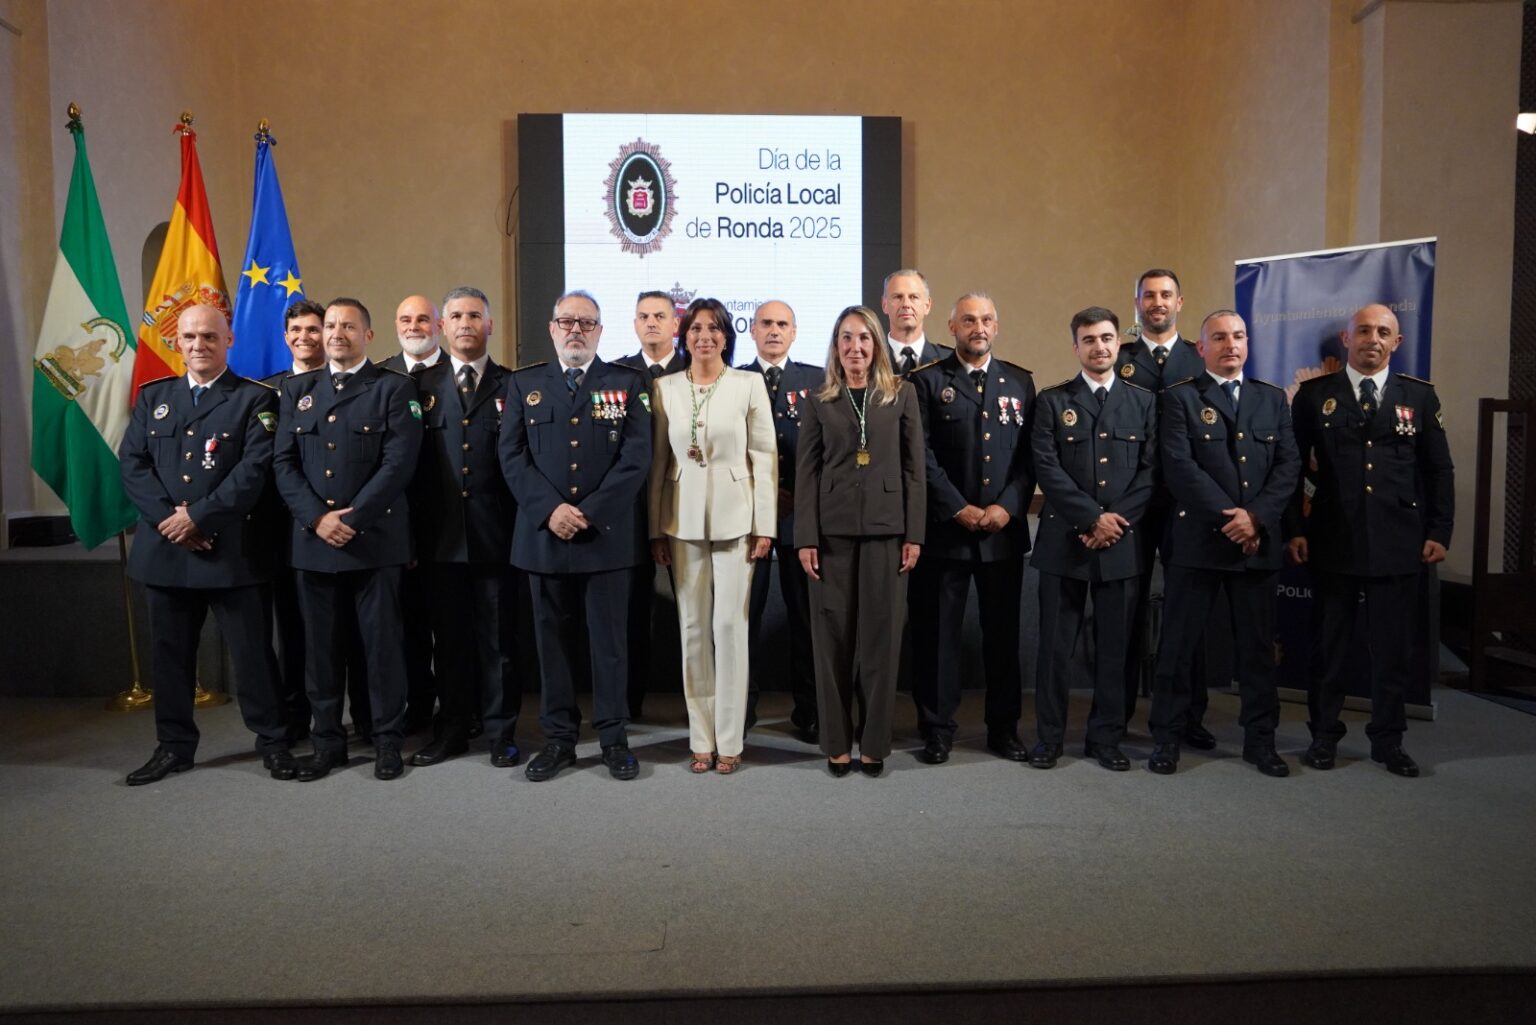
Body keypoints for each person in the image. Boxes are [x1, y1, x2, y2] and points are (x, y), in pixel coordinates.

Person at [119, 304, 294, 784]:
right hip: (167, 552)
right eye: (191, 338)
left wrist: (197, 517)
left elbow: (254, 472)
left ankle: (274, 743)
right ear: (178, 344)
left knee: (253, 656)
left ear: (229, 341)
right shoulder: (154, 396)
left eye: (210, 338)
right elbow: (133, 465)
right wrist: (169, 521)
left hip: (232, 551)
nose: (199, 346)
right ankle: (173, 747)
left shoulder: (256, 400)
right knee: (170, 657)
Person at [1285, 304, 1454, 777]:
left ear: (1396, 343)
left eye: (1383, 332)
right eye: (1363, 330)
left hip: (1398, 542)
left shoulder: (1418, 397)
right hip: (1333, 540)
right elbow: (1292, 469)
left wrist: (1440, 531)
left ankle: (1388, 739)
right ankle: (1323, 736)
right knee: (1329, 649)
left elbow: (1438, 469)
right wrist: (1294, 530)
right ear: (1346, 338)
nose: (1372, 339)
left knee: (1393, 650)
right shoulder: (1316, 396)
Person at [499, 290, 652, 781]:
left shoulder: (627, 383)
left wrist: (586, 512)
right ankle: (560, 740)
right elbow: (511, 456)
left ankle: (613, 739)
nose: (575, 331)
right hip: (544, 537)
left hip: (603, 537)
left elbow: (636, 458)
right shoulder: (525, 385)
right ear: (551, 328)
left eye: (586, 323)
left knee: (609, 645)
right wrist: (552, 510)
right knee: (552, 645)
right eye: (566, 321)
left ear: (601, 332)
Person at [272, 297, 423, 781]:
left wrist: (351, 519)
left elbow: (398, 465)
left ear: (368, 335)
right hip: (314, 544)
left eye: (348, 326)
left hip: (374, 542)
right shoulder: (297, 390)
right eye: (330, 325)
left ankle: (386, 742)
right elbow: (284, 464)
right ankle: (327, 744)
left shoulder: (394, 389)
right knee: (320, 653)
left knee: (381, 651)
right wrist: (318, 518)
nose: (336, 333)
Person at [1147, 310, 1299, 776]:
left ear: (1247, 343)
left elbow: (1288, 466)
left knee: (1256, 652)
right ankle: (1167, 739)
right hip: (1198, 545)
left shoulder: (1271, 399)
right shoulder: (1180, 399)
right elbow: (1178, 466)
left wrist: (1255, 518)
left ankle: (1260, 741)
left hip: (1256, 545)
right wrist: (1230, 517)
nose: (1230, 344)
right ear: (1202, 347)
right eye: (1219, 337)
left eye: (1238, 336)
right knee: (1178, 648)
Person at [648, 297, 777, 775]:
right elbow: (659, 464)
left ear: (727, 335)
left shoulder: (749, 384)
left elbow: (764, 458)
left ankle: (730, 738)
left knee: (729, 628)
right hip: (680, 522)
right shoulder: (664, 388)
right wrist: (654, 529)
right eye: (696, 328)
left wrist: (766, 525)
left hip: (737, 522)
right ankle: (700, 738)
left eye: (715, 328)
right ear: (684, 337)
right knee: (693, 631)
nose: (705, 336)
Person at [795, 306, 925, 776]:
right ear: (836, 346)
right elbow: (806, 473)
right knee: (831, 643)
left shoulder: (902, 395)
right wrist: (805, 537)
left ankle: (873, 743)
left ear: (877, 345)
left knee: (880, 641)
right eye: (846, 339)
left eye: (864, 339)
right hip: (830, 536)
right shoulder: (818, 400)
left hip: (889, 533)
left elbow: (915, 471)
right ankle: (836, 743)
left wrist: (915, 534)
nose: (856, 347)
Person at [909, 293, 1036, 764]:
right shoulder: (925, 382)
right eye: (968, 320)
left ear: (996, 327)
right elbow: (920, 456)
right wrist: (956, 507)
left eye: (985, 320)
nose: (977, 327)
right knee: (937, 639)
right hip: (946, 533)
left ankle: (1003, 729)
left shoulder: (1020, 382)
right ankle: (937, 729)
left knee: (1002, 638)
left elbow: (1030, 457)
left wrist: (1008, 506)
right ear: (952, 326)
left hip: (1002, 534)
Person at [406, 286, 528, 769]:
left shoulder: (513, 384)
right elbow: (408, 470)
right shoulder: (418, 387)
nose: (464, 323)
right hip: (439, 540)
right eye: (455, 315)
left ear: (489, 325)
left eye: (474, 315)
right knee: (449, 643)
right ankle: (452, 730)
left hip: (496, 536)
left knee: (500, 644)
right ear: (442, 327)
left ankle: (502, 733)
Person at [1030, 307, 1157, 771]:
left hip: (1121, 543)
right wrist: (1090, 519)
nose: (1099, 347)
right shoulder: (1051, 401)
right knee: (1054, 651)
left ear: (1118, 344)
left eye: (1106, 338)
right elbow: (1048, 468)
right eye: (1089, 340)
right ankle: (1049, 738)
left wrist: (1113, 521)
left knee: (1114, 649)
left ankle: (1106, 739)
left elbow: (1151, 473)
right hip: (1065, 541)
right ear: (1076, 347)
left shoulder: (1144, 402)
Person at [1115, 267, 1216, 744]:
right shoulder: (1119, 358)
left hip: (1186, 503)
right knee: (1127, 608)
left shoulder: (1201, 360)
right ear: (1136, 302)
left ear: (1180, 302)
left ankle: (1189, 715)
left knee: (1187, 609)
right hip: (1132, 501)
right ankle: (1118, 714)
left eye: (1165, 295)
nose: (1157, 302)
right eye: (1148, 295)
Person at [740, 299, 821, 740]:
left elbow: (830, 451)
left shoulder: (818, 381)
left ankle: (809, 708)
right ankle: (742, 709)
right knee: (742, 620)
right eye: (766, 324)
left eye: (782, 324)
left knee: (805, 619)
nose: (774, 331)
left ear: (794, 332)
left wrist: (796, 497)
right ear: (751, 331)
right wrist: (764, 496)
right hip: (748, 520)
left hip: (800, 521)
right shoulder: (733, 379)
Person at [615, 290, 685, 718]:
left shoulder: (697, 368)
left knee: (696, 613)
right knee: (631, 614)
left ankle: (700, 706)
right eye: (643, 316)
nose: (652, 323)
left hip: (685, 506)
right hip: (630, 509)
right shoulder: (618, 374)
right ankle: (628, 703)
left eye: (660, 315)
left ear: (676, 324)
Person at [261, 298, 327, 741]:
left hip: (336, 523)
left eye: (313, 329)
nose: (304, 337)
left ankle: (356, 717)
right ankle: (295, 718)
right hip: (282, 531)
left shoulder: (347, 384)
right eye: (296, 330)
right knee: (292, 631)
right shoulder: (265, 392)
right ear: (285, 337)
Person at [377, 294, 441, 734]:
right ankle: (417, 708)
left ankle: (464, 708)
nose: (414, 325)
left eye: (422, 318)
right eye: (405, 318)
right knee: (407, 629)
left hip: (450, 524)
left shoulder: (456, 375)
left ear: (437, 324)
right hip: (392, 526)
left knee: (458, 629)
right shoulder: (379, 377)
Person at [881, 269, 953, 377]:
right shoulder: (870, 359)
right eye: (898, 297)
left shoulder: (949, 360)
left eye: (914, 297)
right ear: (884, 305)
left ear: (927, 305)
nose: (906, 304)